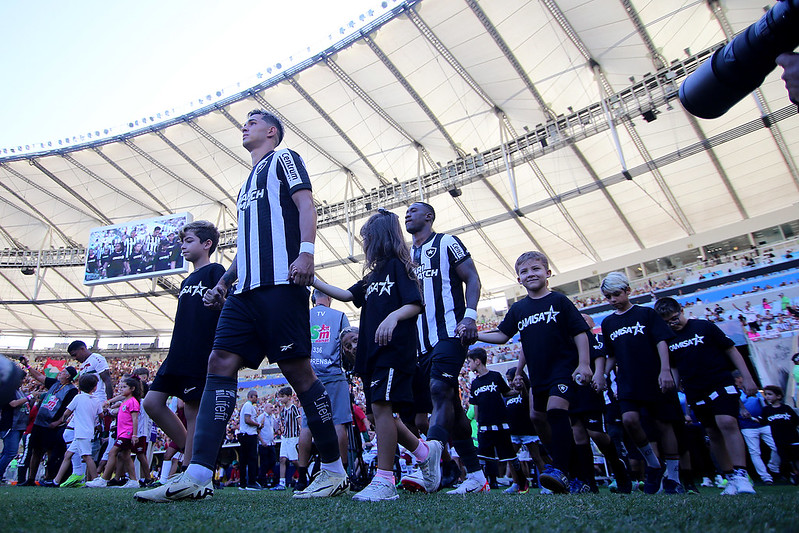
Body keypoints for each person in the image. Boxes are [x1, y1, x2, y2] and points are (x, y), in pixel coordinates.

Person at [136, 109, 347, 502]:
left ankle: (334, 470)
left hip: (281, 284)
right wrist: (224, 282)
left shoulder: (285, 159)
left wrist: (306, 253)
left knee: (299, 373)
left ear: (272, 131)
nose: (244, 125)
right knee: (218, 362)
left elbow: (306, 206)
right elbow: (249, 244)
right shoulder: (245, 185)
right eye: (244, 121)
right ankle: (198, 474)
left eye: (253, 120)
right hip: (244, 292)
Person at [313, 208, 432, 501]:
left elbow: (415, 304)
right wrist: (312, 279)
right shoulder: (372, 275)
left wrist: (393, 318)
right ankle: (425, 453)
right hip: (372, 355)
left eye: (367, 239)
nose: (364, 244)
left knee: (381, 410)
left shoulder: (400, 267)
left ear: (379, 239)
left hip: (394, 352)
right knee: (382, 417)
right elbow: (345, 295)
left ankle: (385, 479)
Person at [478, 251, 591, 494]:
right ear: (518, 279)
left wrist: (584, 364)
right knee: (538, 419)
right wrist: (475, 336)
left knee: (556, 411)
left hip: (563, 370)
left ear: (548, 273)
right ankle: (574, 476)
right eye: (524, 272)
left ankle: (558, 468)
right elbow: (502, 335)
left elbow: (580, 332)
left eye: (536, 269)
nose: (530, 274)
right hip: (538, 375)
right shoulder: (519, 309)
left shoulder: (559, 301)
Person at [404, 201, 485, 494]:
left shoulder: (447, 242)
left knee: (440, 390)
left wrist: (471, 316)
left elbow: (472, 277)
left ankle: (430, 466)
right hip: (419, 343)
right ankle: (476, 476)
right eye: (406, 212)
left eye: (414, 210)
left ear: (429, 216)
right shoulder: (406, 255)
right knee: (450, 405)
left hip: (451, 332)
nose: (407, 214)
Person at [141, 220, 225, 474]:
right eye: (182, 242)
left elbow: (225, 306)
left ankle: (188, 468)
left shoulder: (216, 271)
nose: (183, 247)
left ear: (206, 244)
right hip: (177, 350)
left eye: (188, 241)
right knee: (152, 403)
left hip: (199, 350)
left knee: (192, 410)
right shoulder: (187, 280)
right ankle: (190, 445)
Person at [654, 297, 757, 494]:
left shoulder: (703, 327)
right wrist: (671, 390)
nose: (672, 324)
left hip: (720, 382)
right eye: (666, 322)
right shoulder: (668, 340)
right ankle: (729, 477)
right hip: (695, 389)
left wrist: (747, 377)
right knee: (713, 433)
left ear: (681, 311)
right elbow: (674, 368)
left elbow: (731, 350)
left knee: (727, 422)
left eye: (674, 319)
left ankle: (741, 474)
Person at [599, 271, 684, 494]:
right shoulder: (608, 323)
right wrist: (603, 375)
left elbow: (662, 342)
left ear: (628, 290)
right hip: (627, 381)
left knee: (664, 425)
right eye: (608, 297)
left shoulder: (646, 314)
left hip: (654, 376)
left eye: (616, 294)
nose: (613, 300)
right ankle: (654, 465)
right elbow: (611, 355)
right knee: (630, 420)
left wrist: (665, 370)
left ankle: (673, 477)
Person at [295, 289, 352, 491]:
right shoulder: (339, 316)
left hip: (309, 376)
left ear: (312, 299)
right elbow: (349, 342)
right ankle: (342, 473)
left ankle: (301, 477)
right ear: (328, 297)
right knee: (339, 423)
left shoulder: (303, 314)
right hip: (334, 374)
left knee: (307, 424)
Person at [465, 347, 528, 493]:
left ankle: (522, 483)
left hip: (501, 424)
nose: (469, 365)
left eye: (470, 362)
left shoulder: (496, 376)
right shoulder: (474, 383)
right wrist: (479, 423)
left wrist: (519, 388)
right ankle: (480, 484)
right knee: (482, 457)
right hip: (485, 426)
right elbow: (475, 406)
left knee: (510, 456)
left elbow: (507, 392)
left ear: (477, 361)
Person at [21, 363, 79, 484]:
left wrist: (58, 422)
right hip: (39, 422)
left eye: (63, 372)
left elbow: (68, 409)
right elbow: (39, 377)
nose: (60, 373)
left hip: (53, 424)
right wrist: (27, 366)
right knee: (35, 450)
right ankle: (31, 478)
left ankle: (49, 477)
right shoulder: (54, 384)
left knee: (50, 451)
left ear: (68, 376)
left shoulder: (71, 390)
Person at [46, 374, 103, 487]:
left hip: (81, 433)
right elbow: (101, 415)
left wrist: (63, 420)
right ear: (94, 387)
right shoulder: (96, 400)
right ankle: (56, 481)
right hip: (86, 432)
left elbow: (67, 412)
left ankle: (96, 480)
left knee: (86, 456)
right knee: (68, 455)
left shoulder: (78, 398)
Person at [86, 377, 142, 488]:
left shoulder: (133, 402)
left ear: (132, 389)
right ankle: (134, 481)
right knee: (125, 456)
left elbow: (135, 419)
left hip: (127, 433)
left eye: (124, 387)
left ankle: (104, 479)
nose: (121, 389)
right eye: (120, 387)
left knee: (112, 453)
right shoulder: (125, 401)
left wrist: (134, 435)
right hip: (121, 433)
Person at [735, 371, 780, 484]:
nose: (740, 382)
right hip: (747, 426)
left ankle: (773, 466)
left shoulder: (756, 392)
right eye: (738, 380)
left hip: (762, 423)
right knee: (755, 451)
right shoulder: (736, 394)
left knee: (776, 446)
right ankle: (765, 477)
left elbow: (764, 403)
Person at [761, 385, 799, 485]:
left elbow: (795, 421)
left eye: (770, 394)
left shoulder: (786, 408)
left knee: (796, 457)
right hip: (779, 440)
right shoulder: (766, 410)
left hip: (793, 438)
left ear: (778, 396)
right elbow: (763, 422)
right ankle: (793, 474)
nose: (767, 397)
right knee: (786, 459)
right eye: (766, 395)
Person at [271, 386, 301, 491]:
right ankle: (282, 483)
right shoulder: (283, 410)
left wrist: (302, 434)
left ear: (289, 397)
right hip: (285, 437)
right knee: (282, 458)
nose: (280, 399)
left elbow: (299, 420)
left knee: (294, 460)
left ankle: (304, 476)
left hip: (293, 437)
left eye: (282, 397)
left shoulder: (293, 408)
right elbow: (283, 423)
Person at [0, 385, 31, 484]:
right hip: (10, 425)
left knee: (6, 452)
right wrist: (28, 397)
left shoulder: (19, 391)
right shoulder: (8, 390)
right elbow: (13, 404)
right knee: (11, 452)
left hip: (19, 426)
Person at [237, 390, 261, 490]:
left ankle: (243, 483)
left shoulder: (247, 406)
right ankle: (251, 482)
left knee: (243, 460)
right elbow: (247, 420)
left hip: (245, 435)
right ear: (251, 396)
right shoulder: (248, 405)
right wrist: (258, 424)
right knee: (251, 459)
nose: (257, 398)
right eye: (256, 396)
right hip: (248, 434)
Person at [256, 402, 278, 487]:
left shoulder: (272, 417)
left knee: (272, 461)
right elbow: (258, 430)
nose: (272, 409)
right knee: (264, 463)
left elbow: (271, 430)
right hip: (264, 444)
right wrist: (262, 441)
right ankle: (262, 481)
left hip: (270, 443)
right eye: (271, 407)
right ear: (265, 408)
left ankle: (271, 479)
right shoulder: (261, 417)